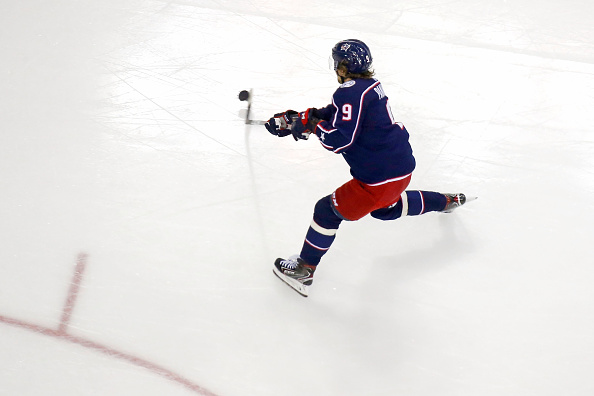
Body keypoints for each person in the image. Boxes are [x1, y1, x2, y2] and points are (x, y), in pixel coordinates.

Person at [265, 39, 473, 297]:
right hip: (401, 170)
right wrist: (304, 117)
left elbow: (340, 140)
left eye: (337, 63)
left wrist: (312, 127)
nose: (336, 68)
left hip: (376, 180)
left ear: (345, 66)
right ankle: (446, 201)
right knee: (387, 209)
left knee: (326, 211)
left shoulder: (348, 92)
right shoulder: (370, 86)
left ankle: (304, 269)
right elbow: (336, 112)